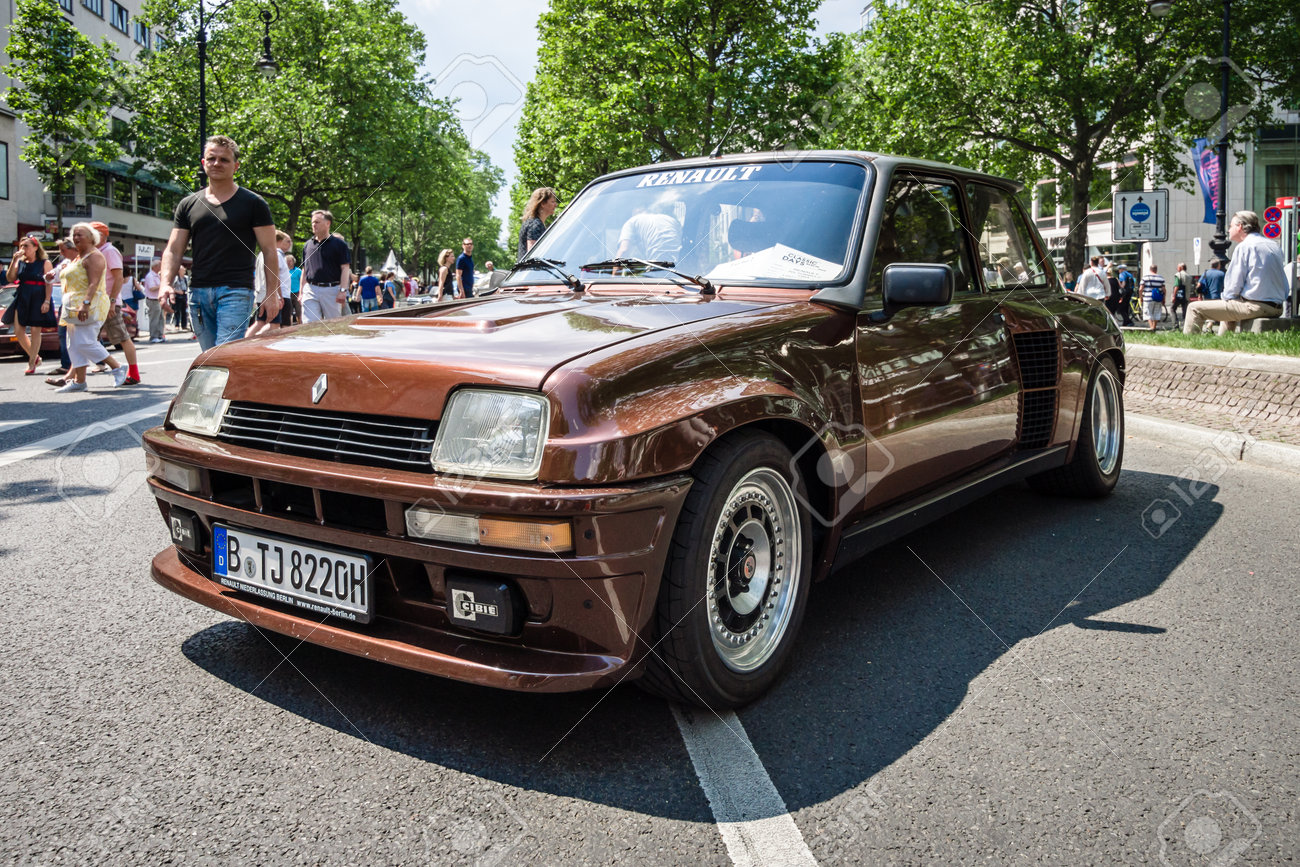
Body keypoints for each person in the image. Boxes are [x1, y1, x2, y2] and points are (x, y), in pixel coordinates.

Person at [160, 135, 281, 350]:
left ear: (236, 166)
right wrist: (165, 283)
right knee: (210, 356)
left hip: (236, 290)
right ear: (203, 163)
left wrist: (272, 294)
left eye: (224, 160)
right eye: (212, 158)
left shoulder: (254, 203)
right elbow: (174, 249)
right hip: (197, 291)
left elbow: (270, 251)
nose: (217, 163)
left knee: (223, 353)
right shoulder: (188, 204)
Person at [1184, 211, 1288, 335]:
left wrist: (1228, 299)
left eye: (1230, 226)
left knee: (1194, 308)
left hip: (1255, 307)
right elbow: (1285, 287)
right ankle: (1223, 345)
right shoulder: (1274, 246)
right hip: (1277, 307)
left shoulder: (1245, 247)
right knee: (1231, 304)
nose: (1228, 230)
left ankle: (1191, 344)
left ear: (1240, 227)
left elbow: (1233, 286)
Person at [52, 223, 127, 392]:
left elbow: (94, 283)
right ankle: (79, 381)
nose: (76, 237)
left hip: (90, 305)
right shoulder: (78, 256)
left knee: (85, 342)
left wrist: (85, 304)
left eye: (80, 234)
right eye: (74, 235)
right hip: (72, 305)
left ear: (92, 237)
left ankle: (117, 367)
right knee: (73, 344)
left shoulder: (94, 256)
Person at [89, 222, 141, 385]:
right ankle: (75, 376)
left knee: (122, 338)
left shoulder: (109, 251)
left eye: (92, 233)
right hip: (95, 302)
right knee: (83, 339)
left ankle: (133, 373)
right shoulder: (95, 252)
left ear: (102, 236)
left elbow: (118, 278)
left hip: (107, 303)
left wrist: (112, 302)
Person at [4, 233, 57, 374]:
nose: (22, 248)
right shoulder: (20, 262)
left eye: (26, 246)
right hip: (23, 295)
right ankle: (34, 356)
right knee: (18, 330)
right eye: (21, 246)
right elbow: (10, 278)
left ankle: (32, 362)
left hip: (39, 295)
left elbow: (49, 283)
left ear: (35, 247)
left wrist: (46, 300)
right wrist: (14, 260)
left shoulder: (45, 263)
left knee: (35, 330)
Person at [299, 210, 351, 322]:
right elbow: (305, 269)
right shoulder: (307, 245)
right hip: (310, 290)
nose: (314, 224)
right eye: (313, 222)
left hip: (332, 290)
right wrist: (301, 292)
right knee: (309, 324)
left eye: (317, 222)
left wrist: (342, 290)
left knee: (333, 325)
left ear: (328, 223)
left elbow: (345, 268)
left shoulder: (339, 245)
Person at [248, 230, 293, 337]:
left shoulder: (261, 254)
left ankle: (249, 339)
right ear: (279, 241)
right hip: (273, 294)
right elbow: (275, 276)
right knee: (275, 325)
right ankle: (252, 340)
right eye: (287, 241)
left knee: (261, 322)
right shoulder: (275, 254)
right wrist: (279, 296)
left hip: (262, 293)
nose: (289, 244)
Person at [518, 187, 557, 258]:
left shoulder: (534, 222)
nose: (556, 204)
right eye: (552, 202)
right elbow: (533, 255)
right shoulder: (535, 224)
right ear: (543, 203)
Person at [142, 257, 165, 343]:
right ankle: (153, 336)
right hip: (153, 299)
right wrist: (162, 285)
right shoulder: (150, 276)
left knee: (160, 318)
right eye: (159, 265)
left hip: (158, 299)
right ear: (155, 266)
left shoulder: (157, 275)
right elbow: (152, 288)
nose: (161, 267)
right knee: (154, 318)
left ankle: (159, 335)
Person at [1139, 264, 1166, 331]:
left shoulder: (1145, 277)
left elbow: (1140, 289)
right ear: (1156, 270)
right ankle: (1154, 326)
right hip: (1158, 298)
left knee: (1148, 312)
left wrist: (1141, 297)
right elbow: (1164, 289)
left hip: (1148, 298)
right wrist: (1164, 298)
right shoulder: (1161, 278)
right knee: (1157, 312)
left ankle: (1151, 328)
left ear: (1150, 269)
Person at [172, 265, 190, 332]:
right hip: (178, 296)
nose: (184, 271)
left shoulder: (186, 278)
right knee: (177, 311)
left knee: (184, 311)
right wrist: (178, 291)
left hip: (184, 296)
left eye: (184, 270)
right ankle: (176, 325)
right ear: (179, 271)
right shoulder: (176, 278)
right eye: (183, 270)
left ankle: (184, 325)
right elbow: (172, 288)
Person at [1170, 263, 1190, 327]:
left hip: (1179, 295)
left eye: (1178, 267)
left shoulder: (1178, 275)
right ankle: (1186, 326)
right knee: (1185, 311)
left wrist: (1173, 295)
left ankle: (1175, 324)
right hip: (1186, 296)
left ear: (1181, 268)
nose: (1177, 268)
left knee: (1172, 309)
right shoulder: (1189, 276)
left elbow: (1176, 286)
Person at [286, 253, 301, 323]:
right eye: (287, 261)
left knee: (299, 311)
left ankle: (300, 325)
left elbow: (301, 281)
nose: (288, 263)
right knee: (289, 312)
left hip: (297, 293)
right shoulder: (284, 271)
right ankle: (290, 327)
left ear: (293, 261)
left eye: (290, 261)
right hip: (287, 293)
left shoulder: (298, 271)